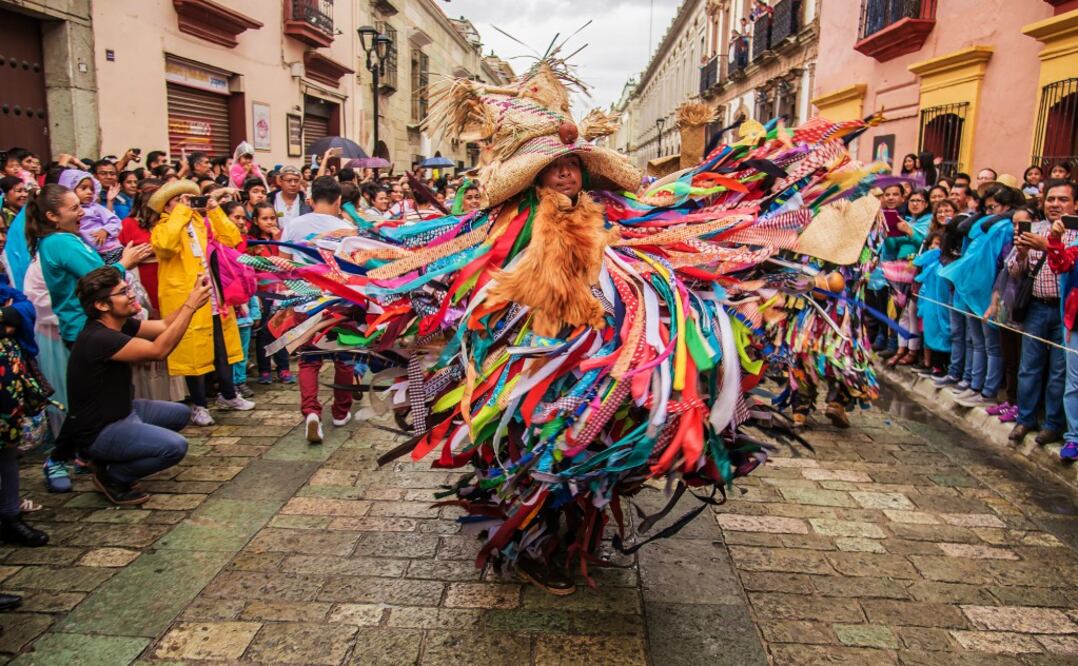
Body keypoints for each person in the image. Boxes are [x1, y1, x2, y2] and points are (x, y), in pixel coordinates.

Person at [58, 267, 210, 504]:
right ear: (102, 305)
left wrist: (193, 297)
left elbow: (163, 326)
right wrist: (190, 306)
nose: (131, 295)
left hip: (123, 410)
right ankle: (113, 476)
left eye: (128, 289)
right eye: (122, 292)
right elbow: (158, 351)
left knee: (180, 413)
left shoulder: (118, 324)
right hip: (100, 429)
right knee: (175, 447)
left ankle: (111, 460)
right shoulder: (100, 338)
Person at [148, 180, 254, 427]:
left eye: (189, 199)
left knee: (222, 348)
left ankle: (228, 394)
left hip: (213, 295)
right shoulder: (163, 227)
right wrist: (182, 213)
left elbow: (232, 237)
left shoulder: (201, 222)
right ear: (167, 207)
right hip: (186, 298)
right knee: (192, 350)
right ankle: (198, 404)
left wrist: (215, 209)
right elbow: (165, 246)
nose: (186, 204)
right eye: (178, 200)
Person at [279, 177, 355, 442]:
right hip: (338, 298)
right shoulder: (346, 228)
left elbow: (284, 264)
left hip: (303, 297)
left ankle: (311, 411)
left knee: (308, 358)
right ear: (338, 201)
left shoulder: (293, 224)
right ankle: (340, 410)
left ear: (311, 199)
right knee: (344, 354)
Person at [59, 169, 124, 263]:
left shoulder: (95, 208)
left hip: (110, 249)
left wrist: (105, 230)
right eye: (84, 188)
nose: (89, 192)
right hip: (91, 253)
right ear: (70, 189)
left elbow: (115, 220)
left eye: (92, 189)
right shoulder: (66, 212)